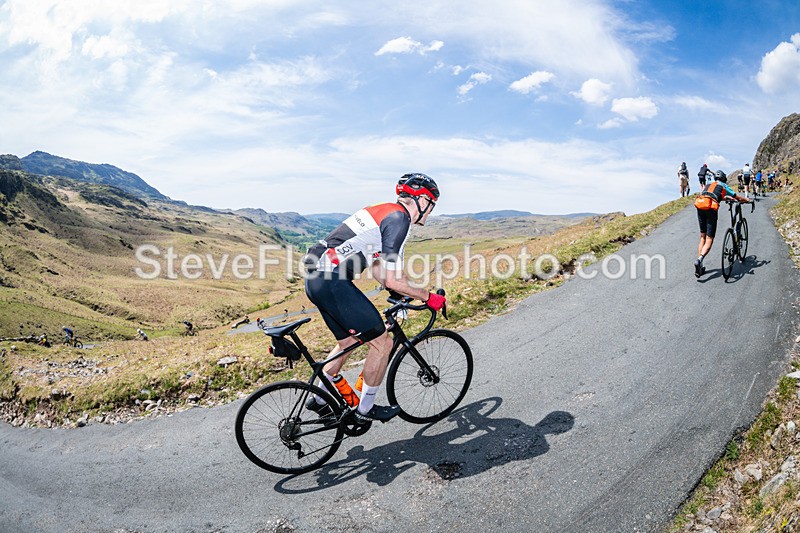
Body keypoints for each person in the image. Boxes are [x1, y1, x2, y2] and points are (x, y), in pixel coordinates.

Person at [303, 173, 445, 424]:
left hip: (316, 279)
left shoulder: (388, 213)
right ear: (422, 200)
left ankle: (320, 398)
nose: (430, 212)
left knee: (348, 342)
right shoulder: (399, 219)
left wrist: (400, 294)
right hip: (332, 280)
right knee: (382, 344)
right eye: (431, 205)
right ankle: (365, 409)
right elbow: (392, 280)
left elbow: (380, 269)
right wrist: (429, 297)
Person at [693, 170, 752, 277]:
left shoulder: (709, 184)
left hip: (700, 206)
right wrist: (746, 199)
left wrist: (725, 198)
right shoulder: (724, 186)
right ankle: (700, 259)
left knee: (703, 237)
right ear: (724, 179)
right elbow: (737, 197)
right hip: (711, 209)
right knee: (710, 238)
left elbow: (714, 195)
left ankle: (700, 264)